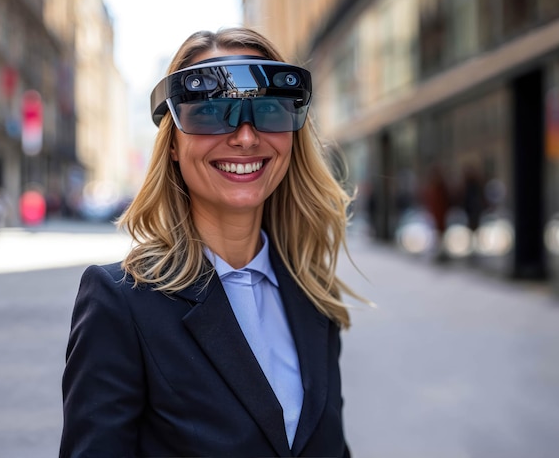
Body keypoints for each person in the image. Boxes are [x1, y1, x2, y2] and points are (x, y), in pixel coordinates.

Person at [59, 27, 367, 457]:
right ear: (172, 144)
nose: (245, 136)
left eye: (270, 110)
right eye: (211, 111)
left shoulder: (313, 295)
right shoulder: (120, 305)